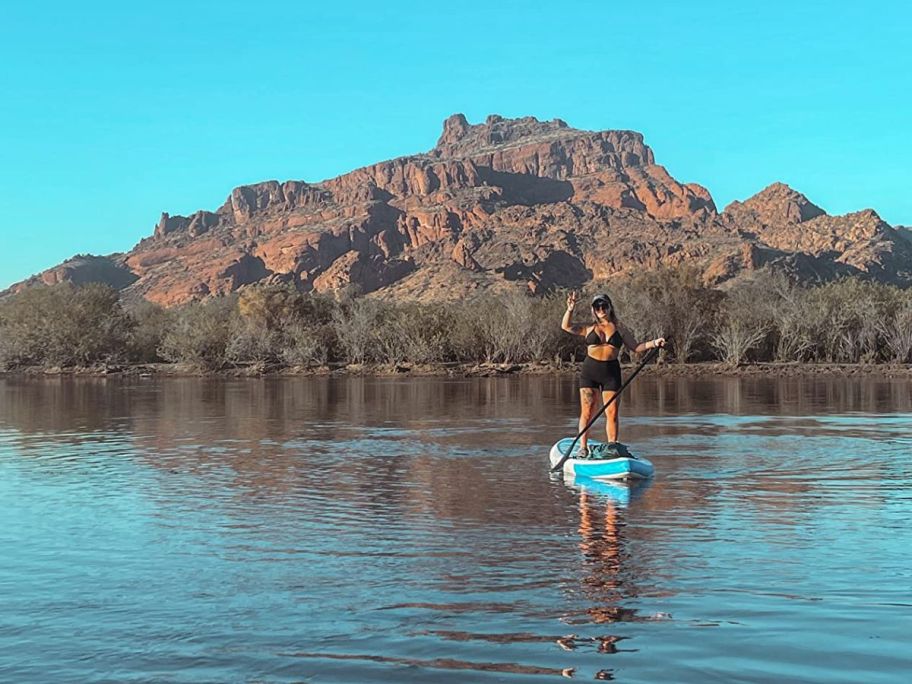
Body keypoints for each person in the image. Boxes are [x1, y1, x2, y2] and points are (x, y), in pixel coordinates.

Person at [561, 292, 665, 458]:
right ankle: (583, 448)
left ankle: (613, 447)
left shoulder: (620, 329)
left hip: (611, 373)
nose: (601, 309)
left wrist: (655, 343)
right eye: (597, 306)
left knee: (612, 413)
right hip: (590, 372)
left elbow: (636, 347)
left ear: (610, 307)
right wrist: (570, 309)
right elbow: (566, 326)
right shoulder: (588, 328)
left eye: (604, 306)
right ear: (593, 310)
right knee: (587, 411)